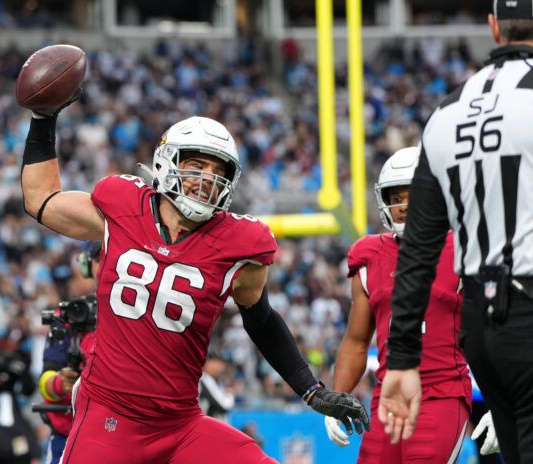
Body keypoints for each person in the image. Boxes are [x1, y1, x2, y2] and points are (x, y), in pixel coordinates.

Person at [20, 93, 370, 462]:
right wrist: (43, 119)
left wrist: (311, 390)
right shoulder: (121, 204)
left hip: (179, 424)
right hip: (111, 413)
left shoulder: (241, 243)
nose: (206, 179)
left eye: (218, 172)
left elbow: (262, 320)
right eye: (198, 165)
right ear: (167, 160)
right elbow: (41, 198)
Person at [378, 1, 533, 463]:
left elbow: (418, 249)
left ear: (493, 27)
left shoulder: (447, 113)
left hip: (482, 333)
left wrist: (403, 357)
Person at [324, 147, 471, 462]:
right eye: (396, 197)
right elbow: (356, 341)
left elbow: (493, 330)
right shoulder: (368, 256)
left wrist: (504, 400)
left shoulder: (464, 247)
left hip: (442, 391)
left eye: (414, 194)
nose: (404, 206)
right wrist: (338, 398)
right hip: (388, 396)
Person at [38, 242, 100, 464]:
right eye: (100, 259)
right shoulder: (71, 315)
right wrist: (59, 383)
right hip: (68, 435)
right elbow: (46, 377)